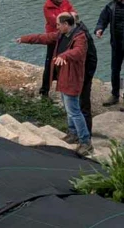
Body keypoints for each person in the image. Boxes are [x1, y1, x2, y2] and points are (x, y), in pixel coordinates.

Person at [16, 12, 94, 157]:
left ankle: (86, 141)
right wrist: (24, 39)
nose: (56, 27)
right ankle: (73, 133)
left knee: (75, 111)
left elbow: (78, 52)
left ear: (66, 24)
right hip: (64, 78)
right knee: (69, 108)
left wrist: (64, 55)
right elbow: (42, 38)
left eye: (58, 24)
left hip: (72, 79)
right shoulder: (61, 35)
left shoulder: (80, 37)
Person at [39, 0, 74, 97]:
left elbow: (73, 13)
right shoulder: (47, 7)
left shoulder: (65, 1)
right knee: (50, 64)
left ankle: (65, 88)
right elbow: (56, 23)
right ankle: (44, 90)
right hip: (53, 38)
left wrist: (69, 19)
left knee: (66, 61)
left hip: (66, 36)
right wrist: (68, 19)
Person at [72, 11, 97, 135]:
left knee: (83, 104)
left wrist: (86, 76)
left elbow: (89, 58)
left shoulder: (82, 36)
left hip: (84, 74)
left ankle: (86, 134)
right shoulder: (78, 32)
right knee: (78, 104)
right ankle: (78, 131)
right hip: (82, 72)